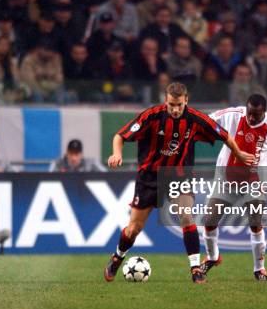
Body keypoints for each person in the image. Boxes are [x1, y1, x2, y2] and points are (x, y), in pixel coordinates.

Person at [104, 82, 255, 284]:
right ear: (165, 101)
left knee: (186, 216)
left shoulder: (195, 118)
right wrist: (117, 154)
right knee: (133, 229)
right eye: (171, 105)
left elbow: (224, 135)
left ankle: (195, 269)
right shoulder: (151, 115)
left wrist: (238, 153)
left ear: (186, 101)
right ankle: (117, 258)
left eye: (179, 105)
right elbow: (119, 136)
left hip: (178, 176)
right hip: (149, 178)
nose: (175, 110)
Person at [203, 94, 267, 282]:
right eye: (249, 113)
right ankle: (212, 257)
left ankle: (259, 269)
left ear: (264, 112)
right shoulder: (233, 114)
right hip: (226, 177)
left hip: (256, 181)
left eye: (256, 115)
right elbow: (207, 120)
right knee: (210, 220)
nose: (251, 118)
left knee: (255, 222)